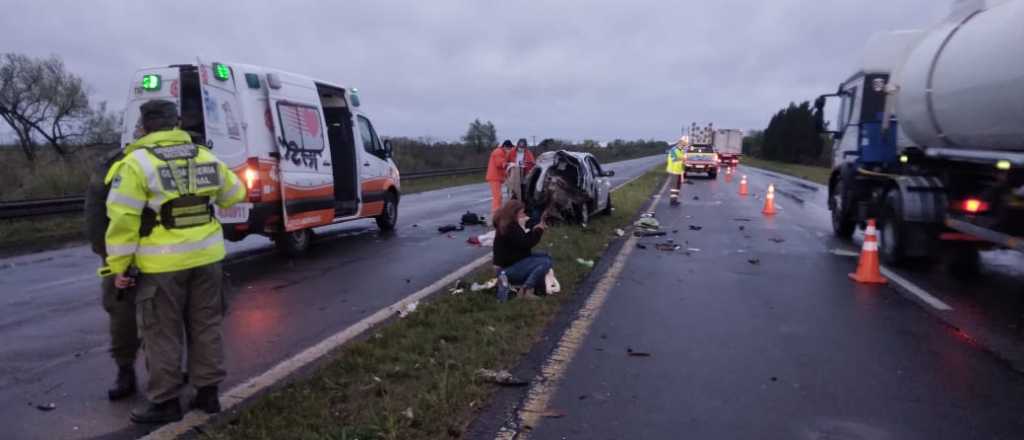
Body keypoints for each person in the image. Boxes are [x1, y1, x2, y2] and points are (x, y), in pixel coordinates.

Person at [101, 100, 246, 424]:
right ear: (175, 123)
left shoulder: (136, 163)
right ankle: (208, 394)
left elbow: (122, 220)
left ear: (145, 126)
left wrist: (119, 267)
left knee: (161, 333)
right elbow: (236, 193)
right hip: (208, 259)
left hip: (161, 267)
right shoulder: (203, 155)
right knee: (206, 325)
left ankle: (165, 401)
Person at [85, 149, 141, 401]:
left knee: (160, 317)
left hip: (153, 252)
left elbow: (95, 215)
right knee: (126, 316)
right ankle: (128, 370)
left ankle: (138, 372)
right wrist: (108, 254)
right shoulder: (115, 163)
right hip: (131, 253)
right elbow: (96, 213)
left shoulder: (120, 161)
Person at [492, 199, 553, 301]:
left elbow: (522, 242)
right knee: (546, 262)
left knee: (546, 256)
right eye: (522, 212)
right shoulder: (510, 227)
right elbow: (527, 243)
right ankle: (527, 290)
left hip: (511, 263)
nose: (523, 214)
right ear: (514, 213)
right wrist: (538, 230)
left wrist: (534, 230)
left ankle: (535, 285)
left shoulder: (508, 224)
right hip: (506, 271)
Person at [486, 140, 515, 216]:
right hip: (494, 177)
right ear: (505, 147)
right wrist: (508, 164)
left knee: (499, 196)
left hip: (497, 177)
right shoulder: (498, 152)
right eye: (509, 148)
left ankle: (498, 212)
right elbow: (499, 163)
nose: (510, 150)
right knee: (497, 196)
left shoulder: (503, 152)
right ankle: (496, 214)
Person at [666, 135, 688, 206]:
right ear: (680, 143)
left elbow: (682, 161)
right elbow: (674, 159)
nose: (684, 146)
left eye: (685, 144)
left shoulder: (681, 151)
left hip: (678, 171)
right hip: (674, 171)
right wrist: (683, 159)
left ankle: (675, 200)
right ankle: (672, 201)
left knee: (678, 186)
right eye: (684, 144)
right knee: (674, 187)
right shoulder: (673, 150)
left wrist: (684, 164)